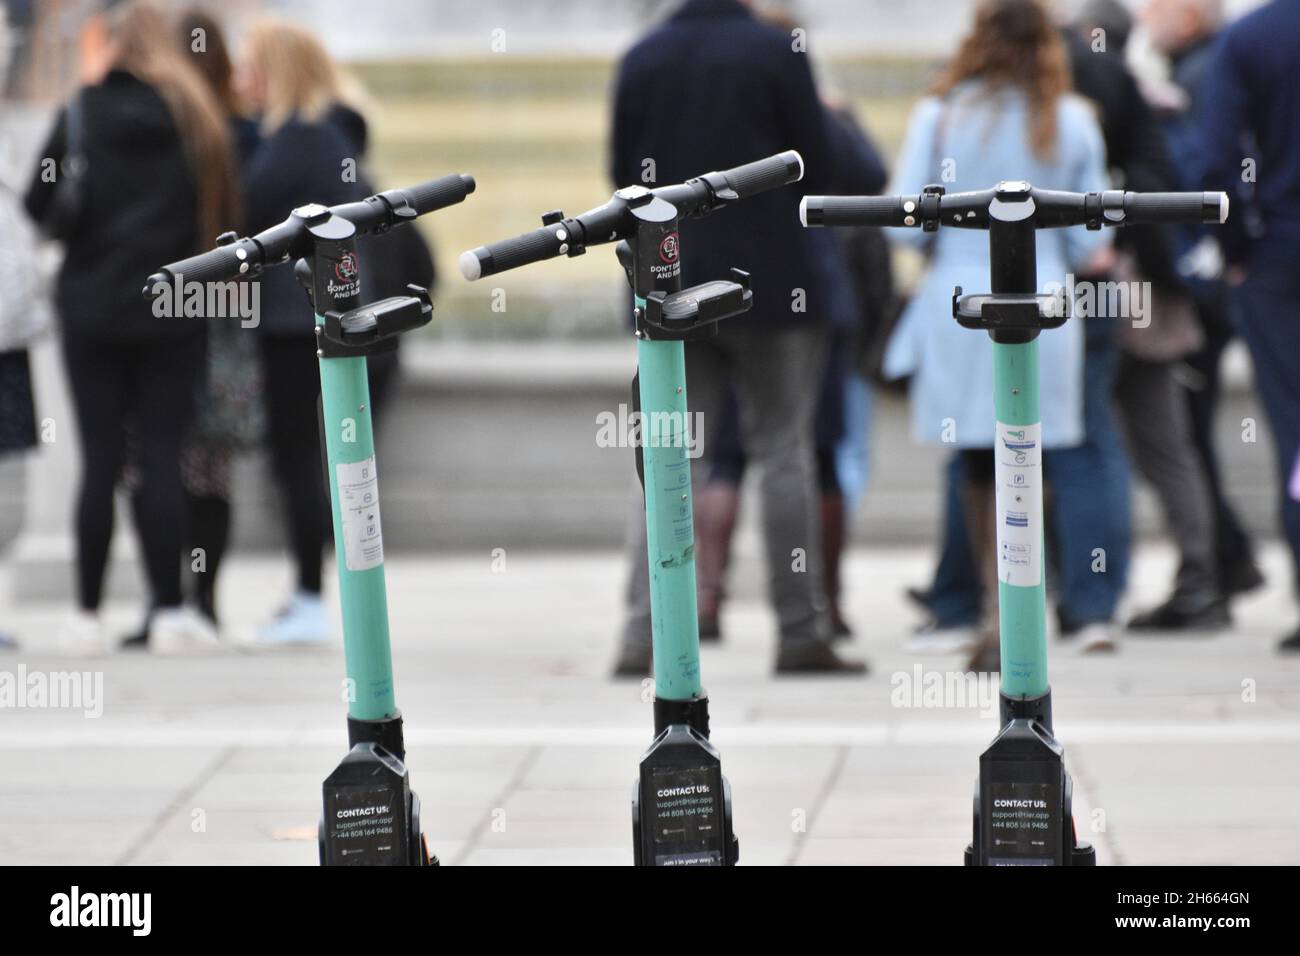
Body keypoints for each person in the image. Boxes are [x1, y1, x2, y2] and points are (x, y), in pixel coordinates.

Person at [609, 0, 865, 675]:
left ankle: (644, 633)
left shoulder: (642, 56)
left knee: (668, 457)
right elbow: (815, 167)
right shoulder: (776, 50)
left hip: (668, 282)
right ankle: (799, 630)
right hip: (774, 282)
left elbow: (622, 178)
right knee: (784, 451)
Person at [883, 0, 1112, 672]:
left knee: (977, 461)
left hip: (962, 301)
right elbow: (1092, 236)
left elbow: (900, 222)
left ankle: (990, 608)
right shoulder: (1070, 120)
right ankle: (1033, 606)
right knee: (1035, 457)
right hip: (1045, 301)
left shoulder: (943, 116)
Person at [24, 0, 236, 655]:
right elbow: (225, 213)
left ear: (110, 46)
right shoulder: (193, 115)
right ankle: (170, 608)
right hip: (175, 305)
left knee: (100, 462)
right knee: (163, 458)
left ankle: (87, 615)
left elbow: (38, 202)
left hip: (92, 306)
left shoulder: (80, 113)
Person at [235, 20, 371, 645]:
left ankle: (312, 595)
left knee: (299, 459)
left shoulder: (298, 139)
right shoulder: (329, 135)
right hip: (316, 314)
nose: (242, 79)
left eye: (252, 67)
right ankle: (310, 592)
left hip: (295, 321)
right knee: (310, 457)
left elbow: (245, 212)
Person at [1140, 0, 1265, 610]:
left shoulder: (1198, 77)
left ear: (1189, 16)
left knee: (1185, 435)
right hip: (1220, 279)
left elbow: (1200, 181)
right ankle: (1232, 560)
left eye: (1157, 8)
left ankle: (1213, 576)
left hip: (1203, 287)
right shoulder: (1205, 67)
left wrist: (1200, 268)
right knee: (1192, 434)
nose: (1145, 19)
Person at [1196, 0, 1300, 652]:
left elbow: (1218, 161)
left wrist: (1236, 251)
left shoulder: (1251, 38)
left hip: (1279, 258)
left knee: (1294, 426)